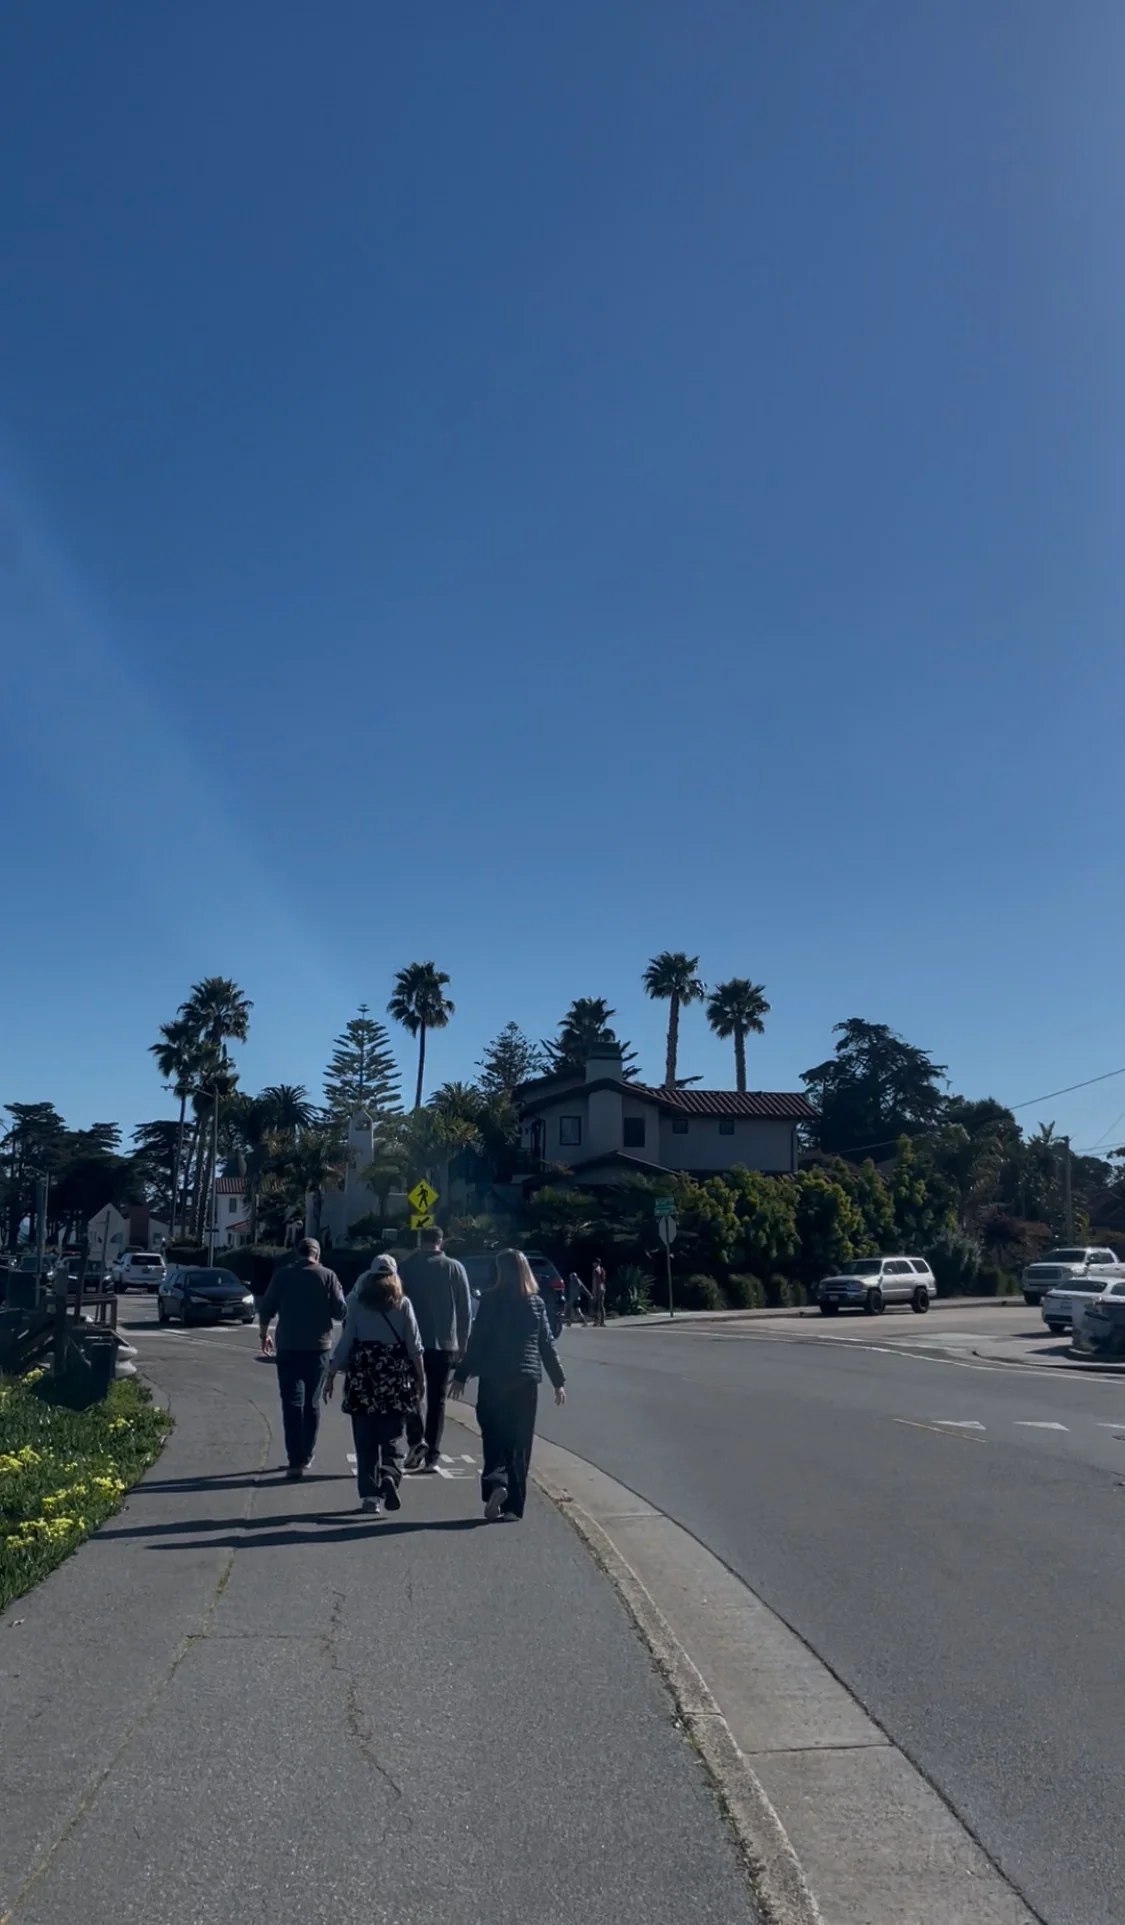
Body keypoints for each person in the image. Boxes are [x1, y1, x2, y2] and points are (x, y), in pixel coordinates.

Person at [451, 1247, 565, 1522]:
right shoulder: (536, 1303)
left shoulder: (491, 1301)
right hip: (526, 1380)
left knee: (493, 1438)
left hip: (494, 1378)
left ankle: (496, 1484)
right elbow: (546, 1345)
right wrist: (558, 1381)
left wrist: (461, 1374)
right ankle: (514, 1506)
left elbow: (477, 1341)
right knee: (519, 1444)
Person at [325, 1255, 424, 1515]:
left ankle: (370, 1497)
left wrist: (332, 1373)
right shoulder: (403, 1304)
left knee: (365, 1439)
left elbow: (346, 1341)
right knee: (392, 1435)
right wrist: (420, 1378)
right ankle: (390, 1475)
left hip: (364, 1377)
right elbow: (414, 1345)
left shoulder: (357, 1303)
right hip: (394, 1376)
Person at [257, 1238, 347, 1478]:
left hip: (288, 1347)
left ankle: (294, 1459)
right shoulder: (328, 1276)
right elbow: (340, 1311)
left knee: (291, 1402)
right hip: (319, 1347)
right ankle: (307, 1454)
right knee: (312, 1402)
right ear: (317, 1255)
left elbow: (266, 1308)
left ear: (298, 1253)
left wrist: (264, 1334)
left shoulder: (283, 1275)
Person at [399, 1226, 472, 1472]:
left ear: (421, 1240)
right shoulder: (455, 1268)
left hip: (411, 1343)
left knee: (410, 1393)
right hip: (445, 1343)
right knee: (437, 1400)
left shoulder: (406, 1267)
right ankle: (432, 1453)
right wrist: (463, 1343)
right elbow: (465, 1310)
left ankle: (415, 1439)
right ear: (441, 1242)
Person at [590, 1257, 607, 1327]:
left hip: (597, 1289)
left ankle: (596, 1321)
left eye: (594, 1263)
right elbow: (603, 1281)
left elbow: (595, 1282)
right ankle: (602, 1322)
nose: (592, 1264)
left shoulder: (595, 1271)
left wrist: (594, 1292)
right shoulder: (602, 1270)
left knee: (595, 1306)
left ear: (596, 1263)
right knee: (601, 1306)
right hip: (602, 1288)